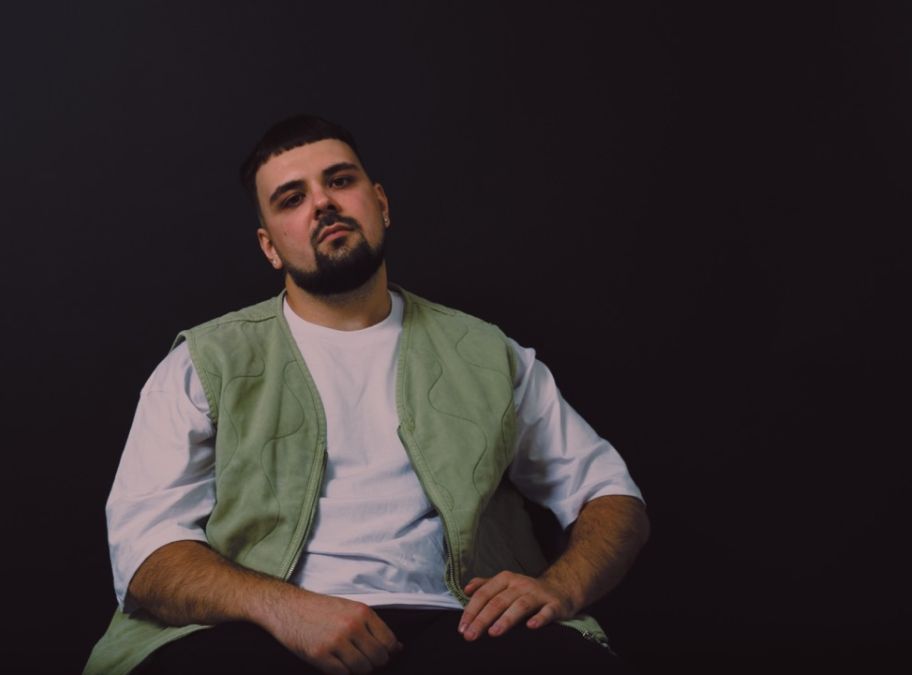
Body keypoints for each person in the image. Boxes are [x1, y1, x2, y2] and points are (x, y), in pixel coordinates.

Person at [83, 115, 649, 675]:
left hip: (463, 627)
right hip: (262, 630)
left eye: (339, 180)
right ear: (270, 247)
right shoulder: (203, 363)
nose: (322, 204)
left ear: (381, 203)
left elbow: (609, 493)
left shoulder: (487, 354)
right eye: (291, 199)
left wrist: (560, 587)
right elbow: (145, 549)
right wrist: (283, 608)